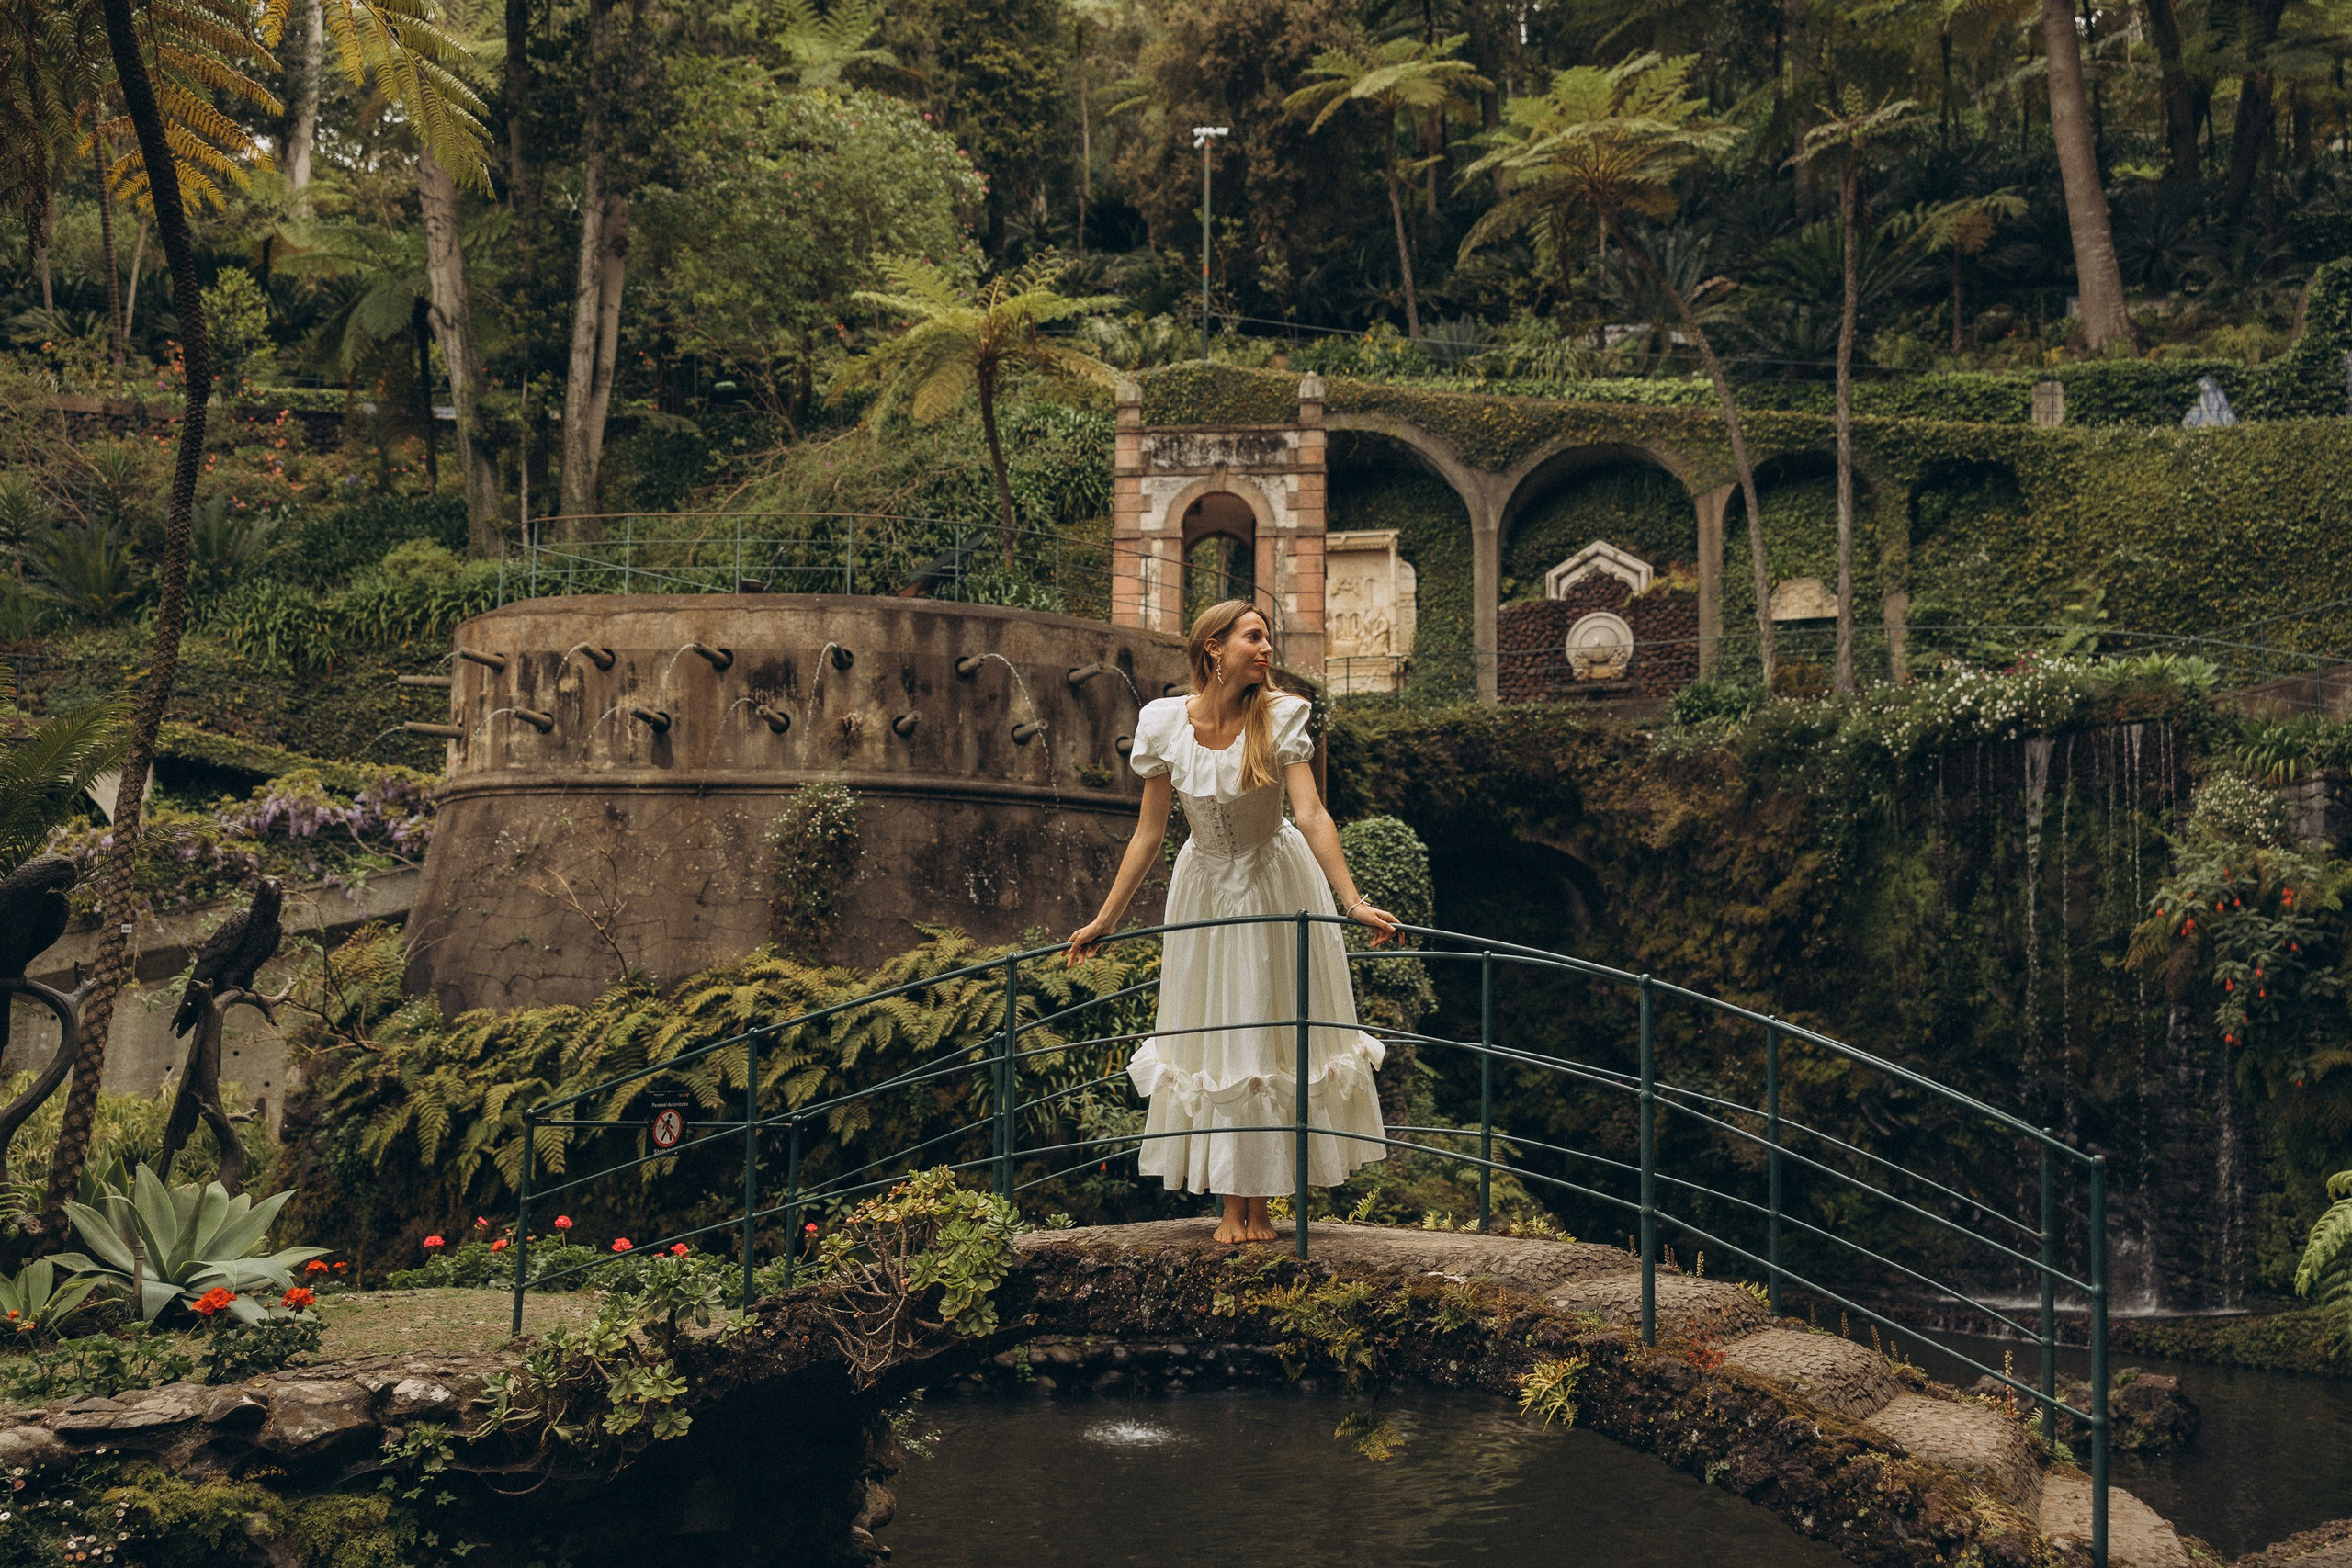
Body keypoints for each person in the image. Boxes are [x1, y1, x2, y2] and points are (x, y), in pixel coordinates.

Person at [1067, 600, 1400, 1244]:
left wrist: (1352, 901)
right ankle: (1230, 1206)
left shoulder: (1280, 717)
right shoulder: (1164, 723)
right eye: (1254, 636)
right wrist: (1105, 918)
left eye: (1268, 636)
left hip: (1274, 880)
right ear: (1213, 648)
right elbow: (1148, 833)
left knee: (1266, 1030)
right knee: (1216, 1035)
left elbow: (1311, 815)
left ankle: (1260, 1207)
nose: (1267, 646)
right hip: (1203, 890)